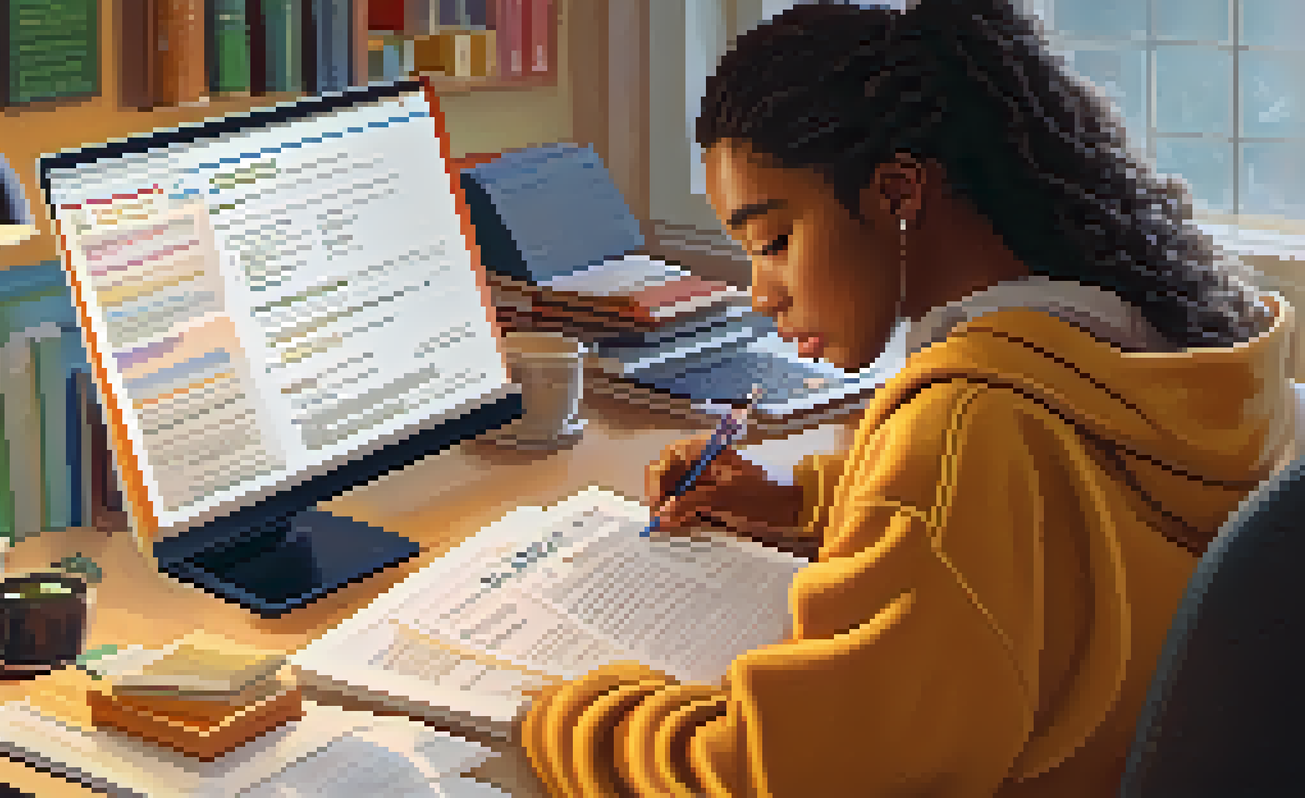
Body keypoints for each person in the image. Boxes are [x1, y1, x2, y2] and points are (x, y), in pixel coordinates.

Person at [518, 0, 1299, 796]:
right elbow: (1044, 528)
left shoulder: (966, 430)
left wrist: (564, 711)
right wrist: (800, 499)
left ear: (897, 192)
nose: (760, 294)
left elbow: (785, 780)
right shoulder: (1168, 357)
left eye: (774, 242)